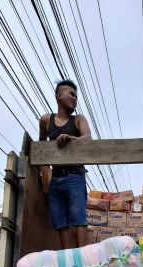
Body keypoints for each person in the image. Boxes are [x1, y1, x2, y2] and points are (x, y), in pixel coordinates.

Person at [39, 79, 92, 249]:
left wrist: (72, 139)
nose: (75, 98)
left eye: (76, 96)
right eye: (71, 94)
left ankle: (82, 255)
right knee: (59, 219)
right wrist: (44, 179)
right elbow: (40, 149)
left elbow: (88, 138)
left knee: (78, 216)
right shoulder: (46, 120)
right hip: (55, 178)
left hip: (75, 175)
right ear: (59, 96)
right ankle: (67, 255)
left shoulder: (78, 120)